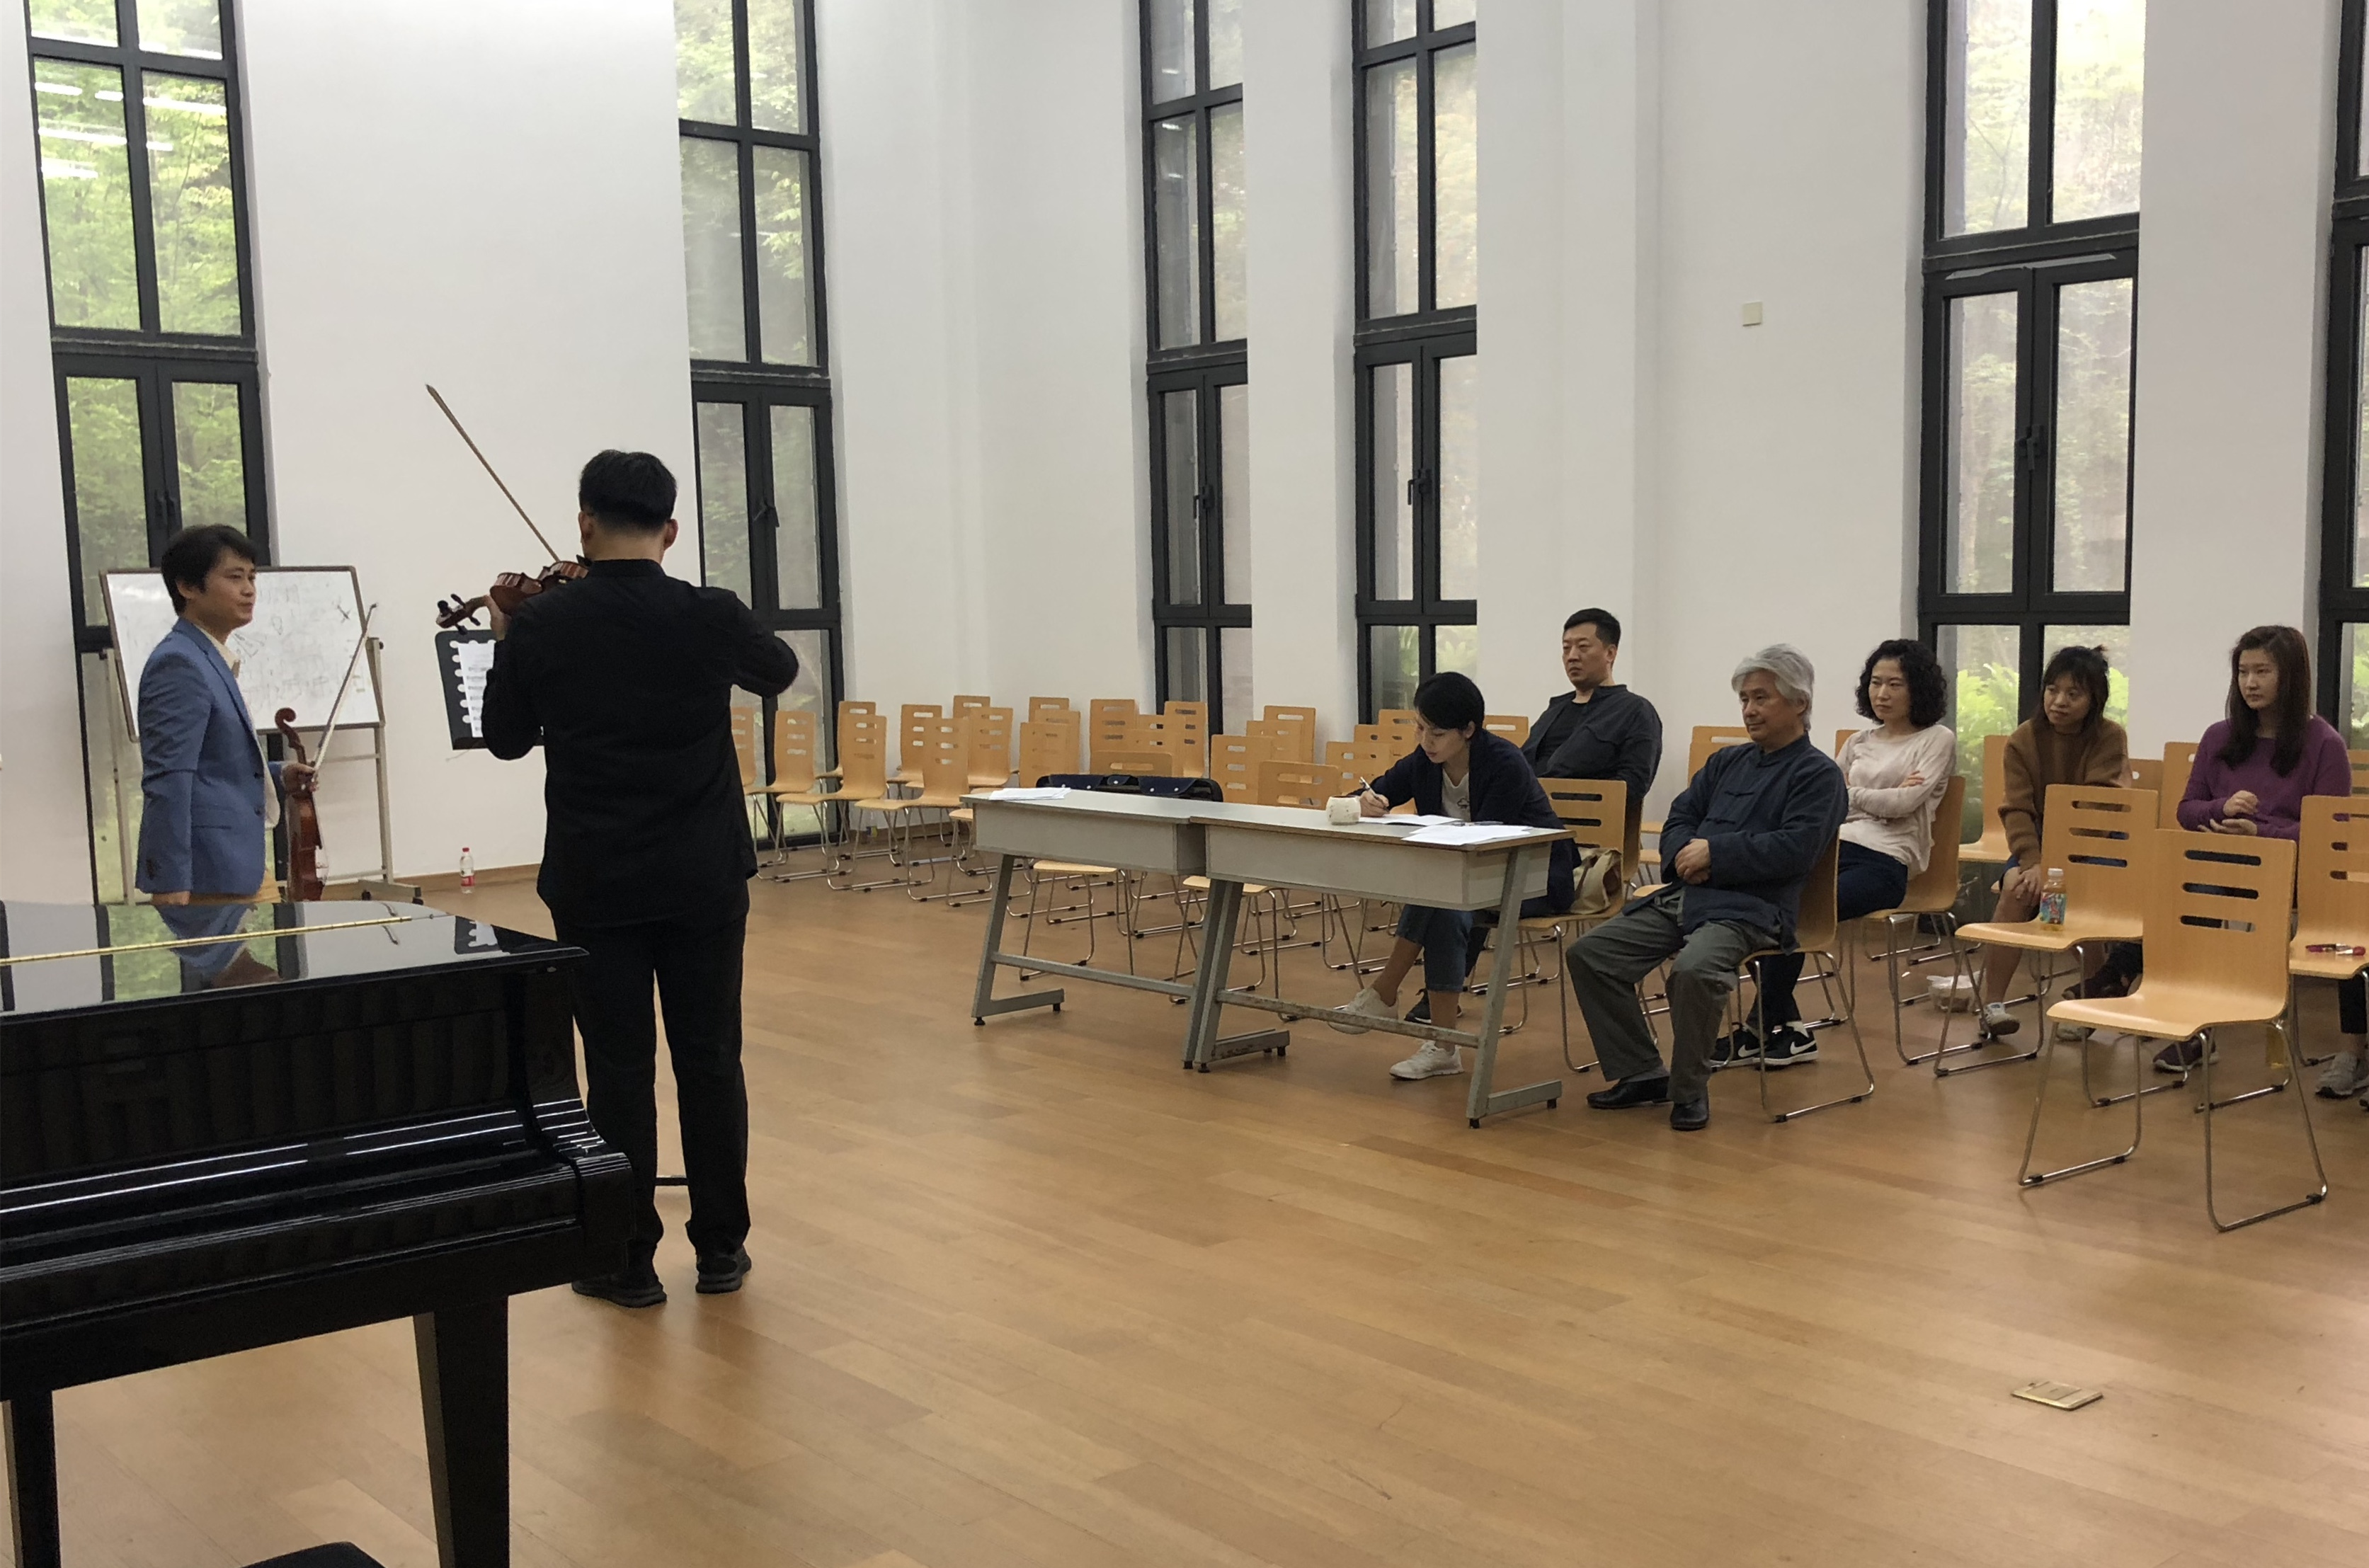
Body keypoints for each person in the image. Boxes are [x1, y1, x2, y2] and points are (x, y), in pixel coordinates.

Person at [480, 450, 797, 1308]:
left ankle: (625, 1261)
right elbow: (777, 671)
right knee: (711, 1058)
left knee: (618, 1070)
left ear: (584, 522)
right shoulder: (708, 612)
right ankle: (721, 1248)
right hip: (702, 874)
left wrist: (509, 632)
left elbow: (504, 738)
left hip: (597, 879)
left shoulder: (546, 623)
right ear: (672, 529)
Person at [1564, 646, 1847, 1131]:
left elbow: (1796, 850)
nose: (1749, 710)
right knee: (1592, 955)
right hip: (1688, 896)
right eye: (1744, 699)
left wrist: (1715, 854)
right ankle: (1642, 1071)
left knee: (1694, 970)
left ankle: (1689, 1089)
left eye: (1762, 698)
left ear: (1800, 703)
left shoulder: (1818, 774)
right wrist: (1682, 856)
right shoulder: (1726, 762)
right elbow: (1681, 816)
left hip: (1753, 910)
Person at [1716, 639, 1955, 1069]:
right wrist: (1873, 797)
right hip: (1833, 849)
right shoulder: (1859, 740)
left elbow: (1903, 805)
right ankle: (1788, 1029)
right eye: (1876, 683)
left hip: (1887, 862)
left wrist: (1854, 793)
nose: (1882, 693)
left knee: (1796, 910)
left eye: (1895, 684)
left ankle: (1759, 1029)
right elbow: (1828, 800)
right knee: (1758, 904)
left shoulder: (1936, 739)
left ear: (1917, 688)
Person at [1328, 672, 1576, 1080]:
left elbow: (1488, 841)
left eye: (1437, 733)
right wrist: (1364, 803)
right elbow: (1373, 792)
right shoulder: (1424, 762)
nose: (1426, 741)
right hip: (1466, 879)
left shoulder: (1504, 763)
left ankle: (1391, 997)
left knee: (1444, 898)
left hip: (1534, 878)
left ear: (1468, 730)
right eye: (1420, 728)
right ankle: (1439, 1043)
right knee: (1444, 903)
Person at [2167, 626, 2360, 1085]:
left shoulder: (2324, 744)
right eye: (2243, 672)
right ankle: (2195, 1024)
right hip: (2228, 866)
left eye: (2262, 672)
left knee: (2350, 916)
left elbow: (2330, 835)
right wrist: (2221, 809)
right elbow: (2186, 810)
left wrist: (2262, 832)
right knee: (2188, 891)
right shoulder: (2219, 737)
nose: (2250, 683)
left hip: (2297, 874)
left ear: (2289, 677)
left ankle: (2354, 1053)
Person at [135, 525, 314, 909]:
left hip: (239, 863)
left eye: (252, 578)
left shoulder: (208, 656)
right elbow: (169, 777)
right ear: (188, 587)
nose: (249, 590)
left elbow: (213, 766)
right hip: (205, 875)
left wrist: (278, 774)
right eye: (234, 578)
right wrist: (170, 882)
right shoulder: (179, 662)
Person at [1970, 645, 2128, 1040]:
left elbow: (2097, 809)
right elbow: (2016, 809)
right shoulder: (2024, 739)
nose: (2059, 701)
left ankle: (2090, 1005)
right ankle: (1992, 1006)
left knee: (2076, 901)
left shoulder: (2109, 737)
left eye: (2074, 694)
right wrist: (2033, 863)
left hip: (2097, 844)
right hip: (2038, 843)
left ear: (2094, 700)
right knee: (2016, 888)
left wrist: (2055, 868)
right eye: (2052, 690)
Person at [1522, 608, 1664, 800]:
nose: (1572, 656)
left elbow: (1632, 785)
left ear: (1610, 653)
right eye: (1566, 648)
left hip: (1583, 815)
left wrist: (1564, 801)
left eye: (1583, 647)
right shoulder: (1554, 710)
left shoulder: (1635, 710)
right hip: (1527, 811)